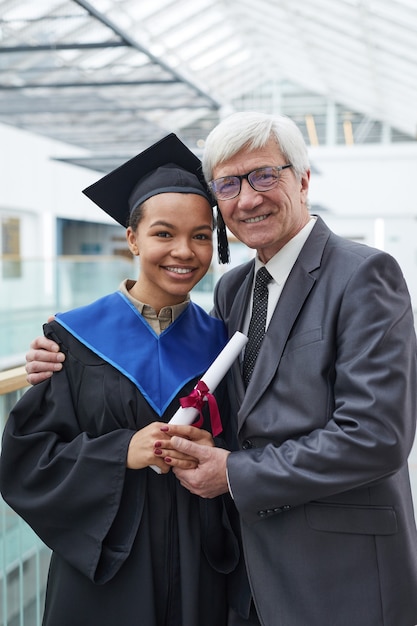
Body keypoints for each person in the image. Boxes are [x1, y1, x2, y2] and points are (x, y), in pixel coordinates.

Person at [23, 111, 417, 626]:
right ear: (133, 238)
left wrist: (231, 470)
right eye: (228, 184)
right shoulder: (234, 292)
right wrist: (58, 349)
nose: (248, 197)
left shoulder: (364, 275)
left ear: (302, 180)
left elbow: (376, 436)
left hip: (335, 574)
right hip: (243, 576)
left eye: (264, 175)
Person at [0, 134, 239, 626]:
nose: (184, 251)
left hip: (200, 570)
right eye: (163, 233)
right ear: (132, 238)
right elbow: (25, 461)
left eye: (199, 235)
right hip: (105, 579)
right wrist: (119, 452)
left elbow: (247, 445)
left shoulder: (222, 343)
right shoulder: (72, 339)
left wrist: (212, 445)